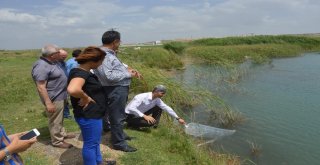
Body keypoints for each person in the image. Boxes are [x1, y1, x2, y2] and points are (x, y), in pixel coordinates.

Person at [93, 30, 142, 152]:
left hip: (116, 89)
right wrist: (127, 74)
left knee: (114, 114)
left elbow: (112, 71)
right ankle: (119, 142)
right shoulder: (104, 55)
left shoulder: (108, 54)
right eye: (119, 41)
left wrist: (126, 71)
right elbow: (107, 76)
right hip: (115, 89)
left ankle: (117, 133)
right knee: (118, 116)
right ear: (115, 42)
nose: (120, 44)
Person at [67, 46, 108, 165]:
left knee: (94, 142)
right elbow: (73, 89)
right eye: (100, 61)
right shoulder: (80, 73)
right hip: (88, 115)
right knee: (90, 144)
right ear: (92, 61)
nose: (100, 64)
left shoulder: (83, 71)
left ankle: (99, 162)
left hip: (93, 114)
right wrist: (85, 97)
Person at [31, 44, 75, 149]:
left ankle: (62, 134)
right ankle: (57, 141)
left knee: (59, 118)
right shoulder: (42, 66)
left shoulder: (53, 62)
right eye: (57, 52)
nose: (59, 53)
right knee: (55, 120)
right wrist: (48, 102)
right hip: (53, 98)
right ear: (51, 55)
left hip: (61, 95)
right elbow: (41, 87)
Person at [57, 49, 73, 119]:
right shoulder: (54, 64)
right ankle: (61, 115)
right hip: (57, 86)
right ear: (58, 55)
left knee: (65, 100)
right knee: (60, 101)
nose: (64, 58)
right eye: (63, 56)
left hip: (65, 85)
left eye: (65, 57)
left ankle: (66, 114)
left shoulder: (63, 62)